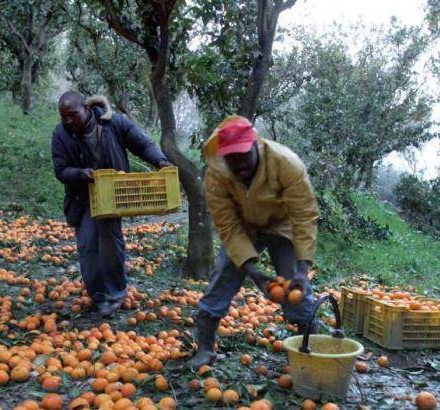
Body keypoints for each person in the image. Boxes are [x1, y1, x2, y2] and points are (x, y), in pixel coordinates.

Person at [188, 115, 320, 369]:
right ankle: (205, 348)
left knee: (294, 283)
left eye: (243, 156)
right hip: (244, 226)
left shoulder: (285, 164)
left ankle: (310, 345)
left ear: (255, 146)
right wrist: (253, 272)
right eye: (231, 159)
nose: (239, 165)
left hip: (282, 224)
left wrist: (303, 270)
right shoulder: (217, 176)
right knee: (223, 275)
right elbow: (227, 225)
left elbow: (304, 216)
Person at [51, 91, 172, 317]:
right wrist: (80, 173)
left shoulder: (112, 123)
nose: (68, 121)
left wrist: (160, 161)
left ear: (86, 109)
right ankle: (98, 296)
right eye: (63, 116)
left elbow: (142, 144)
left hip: (112, 194)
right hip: (83, 198)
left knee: (110, 245)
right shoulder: (61, 134)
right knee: (88, 247)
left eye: (72, 115)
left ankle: (115, 294)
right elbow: (60, 170)